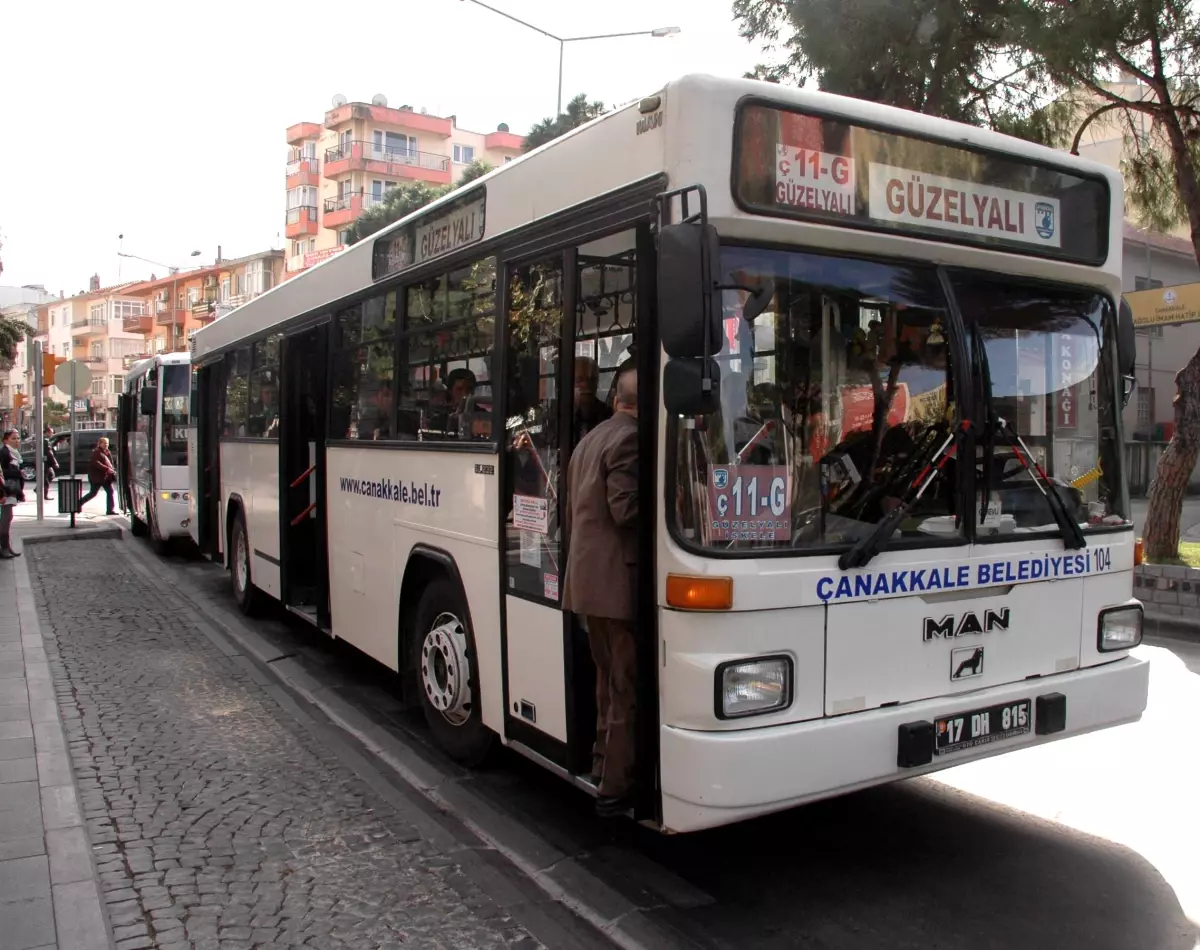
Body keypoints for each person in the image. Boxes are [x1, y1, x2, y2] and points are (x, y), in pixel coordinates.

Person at [562, 368, 639, 816]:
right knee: (624, 687)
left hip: (589, 583)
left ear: (615, 399)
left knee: (607, 684)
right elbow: (625, 509)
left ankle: (601, 764)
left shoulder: (590, 440)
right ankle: (615, 786)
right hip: (616, 585)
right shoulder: (630, 439)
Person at [0, 429, 25, 558]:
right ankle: (4, 548)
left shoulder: (13, 453)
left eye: (18, 438)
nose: (17, 441)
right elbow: (2, 473)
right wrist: (18, 473)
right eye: (13, 438)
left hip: (10, 489)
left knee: (7, 518)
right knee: (6, 518)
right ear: (6, 440)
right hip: (5, 490)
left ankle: (6, 547)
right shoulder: (4, 452)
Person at [574, 357, 611, 439]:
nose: (586, 385)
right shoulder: (560, 415)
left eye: (592, 379)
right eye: (579, 380)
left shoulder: (607, 415)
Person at [78, 437, 117, 515]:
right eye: (105, 443)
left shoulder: (107, 452)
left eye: (107, 443)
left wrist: (111, 470)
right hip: (97, 477)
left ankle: (110, 510)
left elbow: (110, 463)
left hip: (106, 477)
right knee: (93, 493)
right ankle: (79, 503)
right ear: (100, 444)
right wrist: (107, 469)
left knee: (110, 492)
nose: (106, 445)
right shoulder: (96, 452)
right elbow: (96, 463)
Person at [42, 426, 59, 500]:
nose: (52, 434)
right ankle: (44, 494)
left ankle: (38, 489)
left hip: (45, 462)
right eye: (51, 432)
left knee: (50, 475)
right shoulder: (45, 440)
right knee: (46, 478)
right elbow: (49, 453)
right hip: (45, 462)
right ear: (47, 432)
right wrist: (54, 463)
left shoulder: (45, 440)